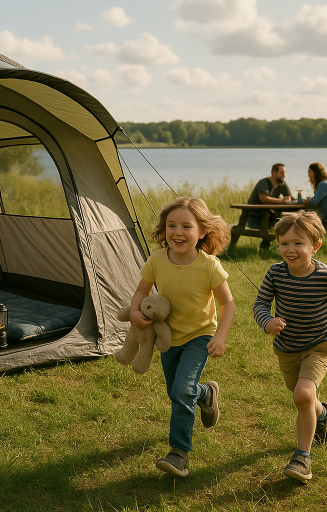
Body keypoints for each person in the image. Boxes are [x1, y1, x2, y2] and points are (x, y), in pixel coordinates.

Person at [253, 210, 327, 482]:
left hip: (319, 345)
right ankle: (324, 412)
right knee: (302, 396)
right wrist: (267, 321)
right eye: (284, 243)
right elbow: (259, 304)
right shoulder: (275, 273)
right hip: (287, 347)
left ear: (315, 246)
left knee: (302, 395)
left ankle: (302, 458)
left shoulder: (326, 275)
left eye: (298, 243)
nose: (290, 250)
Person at [130, 197, 235, 478]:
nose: (177, 232)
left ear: (201, 231)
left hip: (199, 337)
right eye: (171, 225)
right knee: (178, 391)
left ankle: (179, 453)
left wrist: (220, 336)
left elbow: (227, 303)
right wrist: (134, 309)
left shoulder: (209, 266)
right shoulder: (156, 260)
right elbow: (141, 291)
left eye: (186, 226)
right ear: (164, 230)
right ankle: (205, 393)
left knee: (180, 390)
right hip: (168, 338)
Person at [246, 163, 293, 230]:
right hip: (256, 216)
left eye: (285, 172)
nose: (284, 175)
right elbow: (264, 199)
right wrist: (282, 201)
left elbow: (289, 196)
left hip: (270, 215)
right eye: (282, 173)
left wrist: (301, 200)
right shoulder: (263, 182)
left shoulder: (282, 183)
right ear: (274, 173)